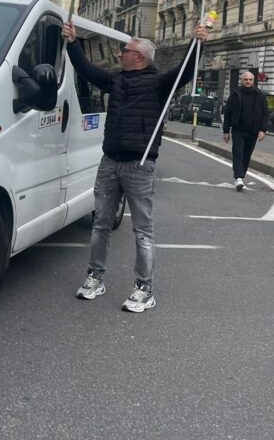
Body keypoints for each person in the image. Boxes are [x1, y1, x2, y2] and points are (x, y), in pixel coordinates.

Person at [63, 19, 210, 313]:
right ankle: (95, 277)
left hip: (140, 165)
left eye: (125, 50)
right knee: (100, 223)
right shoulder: (116, 80)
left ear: (139, 57)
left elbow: (187, 71)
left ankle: (145, 289)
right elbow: (86, 71)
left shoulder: (159, 84)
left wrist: (199, 43)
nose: (120, 54)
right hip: (110, 162)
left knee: (142, 230)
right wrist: (73, 43)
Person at [222, 70, 269, 192]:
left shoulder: (260, 95)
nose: (248, 82)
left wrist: (263, 130)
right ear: (242, 81)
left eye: (250, 80)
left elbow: (265, 114)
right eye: (246, 79)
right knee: (238, 153)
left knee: (246, 155)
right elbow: (228, 113)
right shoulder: (235, 94)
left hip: (253, 131)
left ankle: (241, 175)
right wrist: (226, 131)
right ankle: (238, 178)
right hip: (238, 130)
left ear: (253, 81)